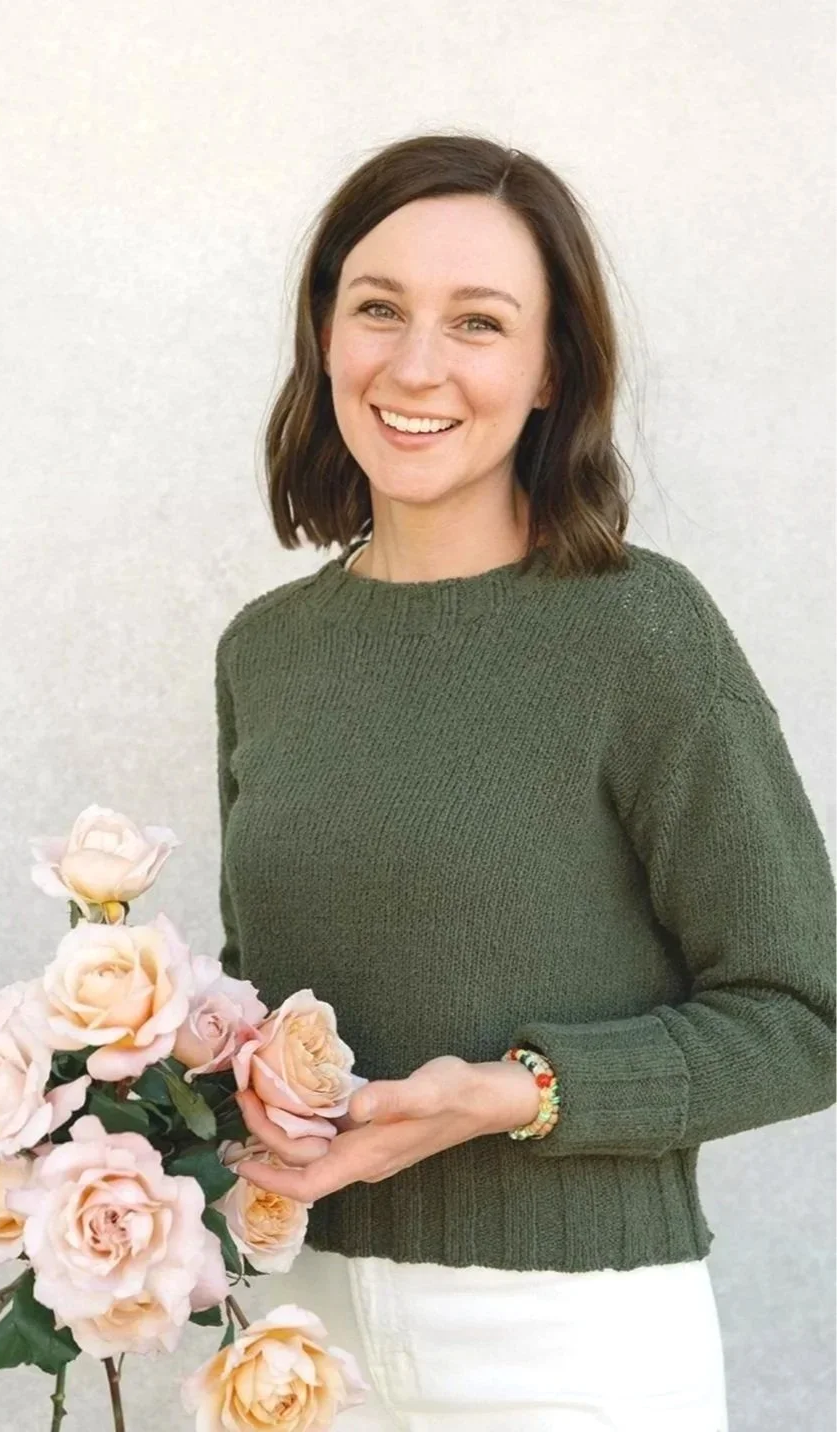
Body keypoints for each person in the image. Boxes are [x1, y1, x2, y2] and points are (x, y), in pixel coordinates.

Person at [209, 134, 836, 1430]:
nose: (414, 365)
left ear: (551, 368)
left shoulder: (638, 633)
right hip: (290, 1323)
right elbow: (263, 995)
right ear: (323, 330)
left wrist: (516, 1090)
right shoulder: (265, 650)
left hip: (566, 1341)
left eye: (478, 323)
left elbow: (804, 1014)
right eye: (376, 307)